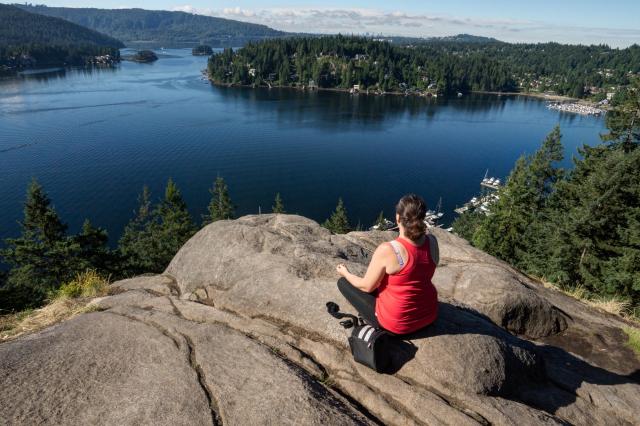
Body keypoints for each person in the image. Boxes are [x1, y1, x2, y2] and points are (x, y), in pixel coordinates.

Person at [336, 194, 438, 335]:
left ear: (397, 218)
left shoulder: (389, 250)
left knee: (343, 283)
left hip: (397, 325)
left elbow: (367, 286)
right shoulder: (432, 241)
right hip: (429, 315)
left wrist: (345, 273)